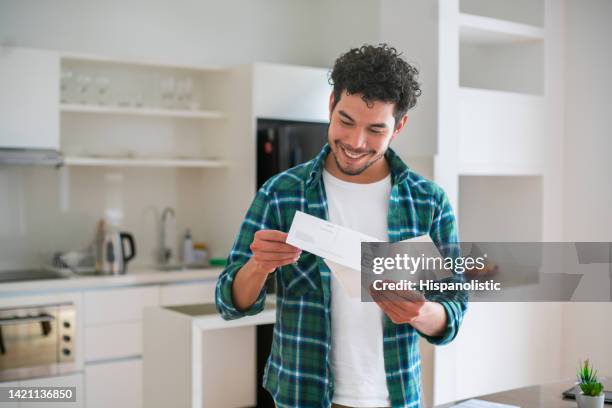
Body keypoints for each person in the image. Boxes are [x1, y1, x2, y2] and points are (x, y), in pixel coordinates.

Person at [216, 44, 467, 408]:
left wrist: (422, 313)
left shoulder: (428, 203)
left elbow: (454, 307)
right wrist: (259, 266)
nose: (355, 142)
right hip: (302, 396)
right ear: (331, 104)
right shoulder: (281, 194)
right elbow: (228, 301)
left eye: (375, 130)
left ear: (399, 126)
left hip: (394, 398)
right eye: (346, 121)